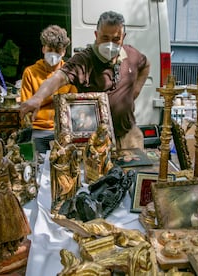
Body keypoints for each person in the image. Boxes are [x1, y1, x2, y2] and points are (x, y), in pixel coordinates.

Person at [19, 11, 150, 150]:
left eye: (116, 39)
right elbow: (58, 78)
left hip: (128, 136)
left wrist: (133, 93)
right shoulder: (83, 60)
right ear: (96, 35)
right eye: (105, 38)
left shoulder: (132, 54)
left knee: (136, 171)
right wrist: (38, 98)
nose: (110, 44)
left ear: (123, 37)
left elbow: (145, 65)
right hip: (95, 143)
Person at [20, 25, 77, 153]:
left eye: (58, 51)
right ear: (43, 49)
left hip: (63, 130)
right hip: (37, 130)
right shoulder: (30, 72)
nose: (54, 54)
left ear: (63, 52)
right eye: (50, 49)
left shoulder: (70, 74)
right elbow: (26, 107)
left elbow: (74, 105)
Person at [49, 131, 81, 212]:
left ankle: (66, 202)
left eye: (69, 137)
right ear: (62, 138)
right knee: (65, 186)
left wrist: (76, 155)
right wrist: (58, 153)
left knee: (71, 185)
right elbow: (51, 158)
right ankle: (59, 201)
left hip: (68, 169)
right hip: (60, 170)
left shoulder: (71, 147)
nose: (69, 139)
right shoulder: (57, 147)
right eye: (67, 137)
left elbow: (75, 158)